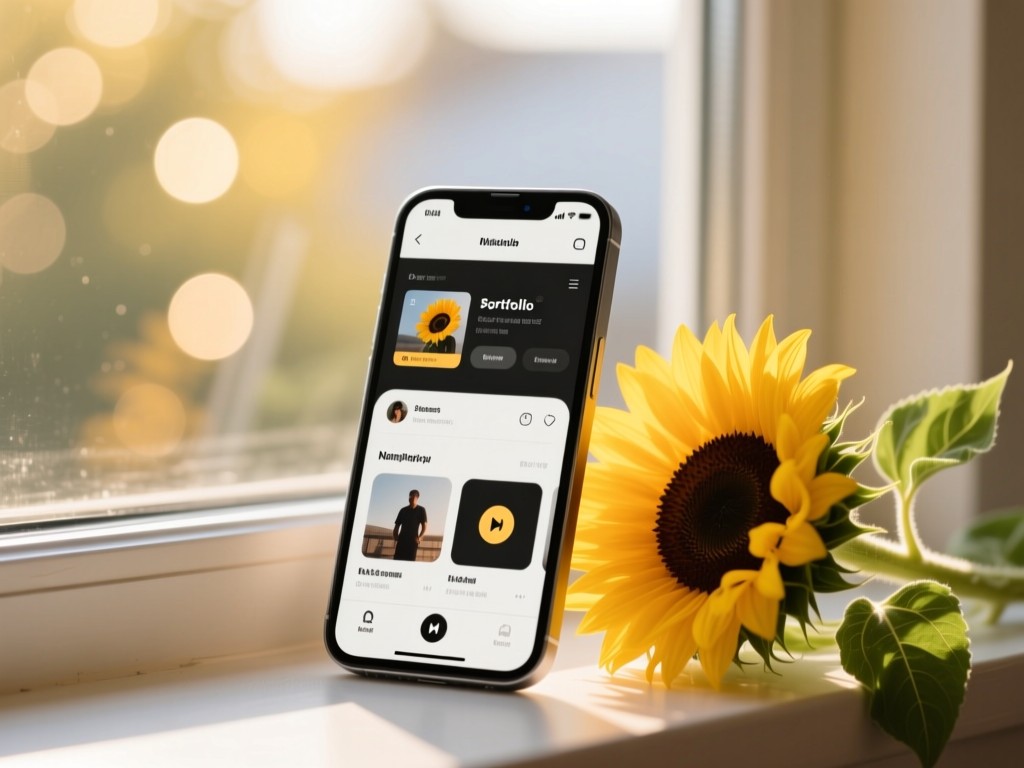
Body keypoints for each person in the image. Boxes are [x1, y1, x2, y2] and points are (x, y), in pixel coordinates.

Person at [393, 490, 427, 561]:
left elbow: (424, 527)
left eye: (413, 496)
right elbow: (397, 525)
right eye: (410, 496)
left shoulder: (421, 510)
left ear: (417, 498)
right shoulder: (403, 510)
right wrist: (395, 535)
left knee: (410, 561)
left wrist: (419, 538)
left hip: (413, 542)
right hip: (401, 541)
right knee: (397, 560)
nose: (410, 498)